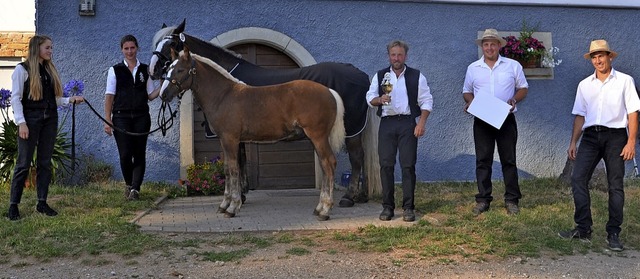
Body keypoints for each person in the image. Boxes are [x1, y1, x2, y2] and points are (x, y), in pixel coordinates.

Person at [559, 40, 640, 251]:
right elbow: (580, 115)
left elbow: (633, 113)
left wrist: (631, 141)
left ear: (609, 57)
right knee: (577, 178)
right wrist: (573, 142)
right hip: (590, 137)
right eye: (594, 57)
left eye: (601, 56)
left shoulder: (625, 81)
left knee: (615, 184)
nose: (598, 60)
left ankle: (613, 233)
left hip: (616, 137)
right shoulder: (584, 85)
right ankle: (583, 228)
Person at [6, 35, 85, 221]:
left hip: (50, 119)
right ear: (37, 48)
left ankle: (42, 202)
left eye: (51, 48)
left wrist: (69, 100)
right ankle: (13, 206)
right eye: (47, 48)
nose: (50, 51)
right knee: (23, 163)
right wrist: (21, 123)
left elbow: (53, 99)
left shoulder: (49, 69)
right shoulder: (22, 70)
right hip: (30, 120)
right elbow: (16, 98)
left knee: (44, 162)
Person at [462, 28, 529, 216]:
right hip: (482, 118)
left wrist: (514, 99)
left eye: (493, 44)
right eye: (486, 44)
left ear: (499, 45)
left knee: (509, 160)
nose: (489, 47)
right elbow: (466, 91)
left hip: (505, 117)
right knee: (483, 160)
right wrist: (470, 101)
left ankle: (512, 199)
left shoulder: (512, 65)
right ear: (482, 47)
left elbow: (523, 88)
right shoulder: (473, 68)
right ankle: (483, 199)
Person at [365, 40, 433, 222]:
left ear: (405, 56)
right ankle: (388, 207)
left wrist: (421, 123)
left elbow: (427, 101)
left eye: (400, 55)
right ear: (389, 56)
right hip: (387, 124)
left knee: (408, 166)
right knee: (386, 165)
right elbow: (369, 97)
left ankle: (408, 208)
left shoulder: (416, 76)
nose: (396, 58)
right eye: (393, 55)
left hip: (407, 123)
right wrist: (379, 99)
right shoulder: (380, 76)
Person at [104, 34, 159, 201]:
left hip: (142, 116)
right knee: (125, 154)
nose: (130, 51)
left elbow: (150, 95)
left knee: (139, 153)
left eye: (132, 48)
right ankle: (129, 183)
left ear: (137, 48)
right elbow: (109, 96)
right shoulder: (115, 70)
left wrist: (164, 85)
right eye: (126, 48)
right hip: (121, 117)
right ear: (122, 50)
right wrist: (108, 119)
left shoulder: (145, 69)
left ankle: (136, 189)